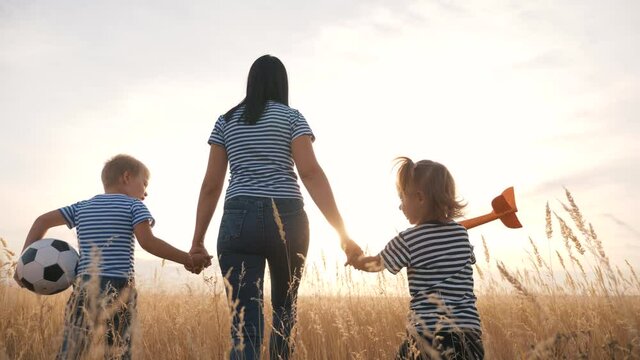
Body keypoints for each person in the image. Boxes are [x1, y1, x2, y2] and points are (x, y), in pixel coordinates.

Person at [188, 54, 363, 360]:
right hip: (288, 217)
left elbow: (211, 185)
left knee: (244, 326)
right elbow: (310, 172)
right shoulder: (292, 118)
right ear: (282, 84)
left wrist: (197, 241)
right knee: (284, 313)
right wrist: (344, 236)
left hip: (238, 219)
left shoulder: (226, 121)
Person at [14, 154, 211, 360]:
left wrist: (22, 266)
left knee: (72, 348)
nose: (146, 192)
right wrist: (187, 259)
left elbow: (41, 221)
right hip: (119, 287)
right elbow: (148, 242)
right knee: (119, 349)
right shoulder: (134, 206)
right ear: (126, 177)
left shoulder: (80, 207)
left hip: (85, 287)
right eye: (144, 184)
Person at [352, 157, 484, 360]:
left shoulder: (409, 239)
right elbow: (467, 260)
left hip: (428, 335)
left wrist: (356, 259)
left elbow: (376, 264)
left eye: (403, 198)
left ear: (420, 198)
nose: (400, 206)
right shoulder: (461, 234)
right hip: (469, 335)